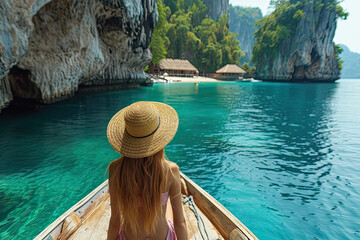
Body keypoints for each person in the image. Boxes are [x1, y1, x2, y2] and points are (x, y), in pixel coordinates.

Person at [106, 101, 188, 240]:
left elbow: (115, 222)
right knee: (165, 209)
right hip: (163, 237)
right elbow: (180, 223)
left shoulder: (115, 169)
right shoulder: (171, 171)